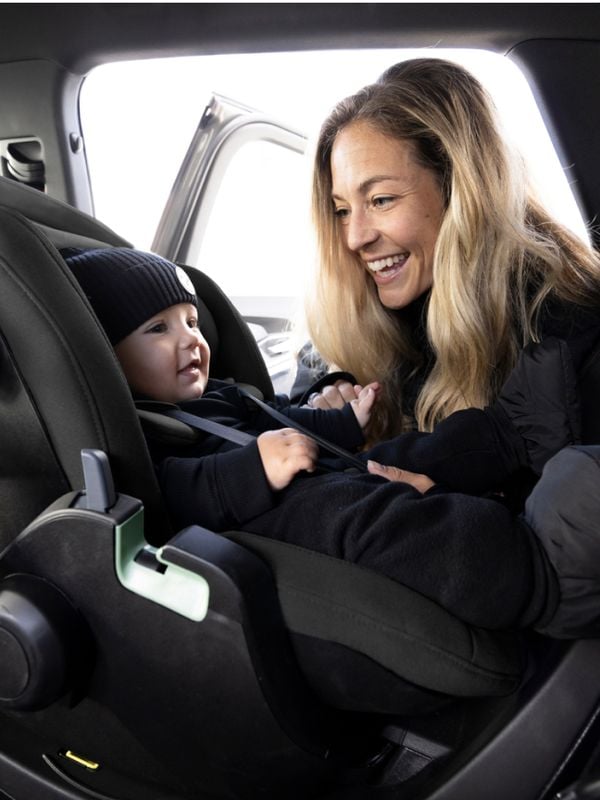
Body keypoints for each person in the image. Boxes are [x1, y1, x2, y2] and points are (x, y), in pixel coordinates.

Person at [64, 246, 600, 638]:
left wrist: (344, 424)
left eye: (191, 322)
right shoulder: (140, 431)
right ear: (104, 358)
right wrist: (252, 470)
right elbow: (169, 493)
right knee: (366, 509)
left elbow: (284, 420)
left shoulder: (217, 396)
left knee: (396, 457)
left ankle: (510, 432)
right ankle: (536, 573)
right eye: (158, 330)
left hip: (307, 474)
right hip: (266, 516)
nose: (191, 340)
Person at [301, 57, 600, 448]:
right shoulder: (368, 311)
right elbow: (310, 370)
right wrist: (328, 396)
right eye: (342, 210)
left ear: (460, 190)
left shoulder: (564, 331)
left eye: (381, 200)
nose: (354, 238)